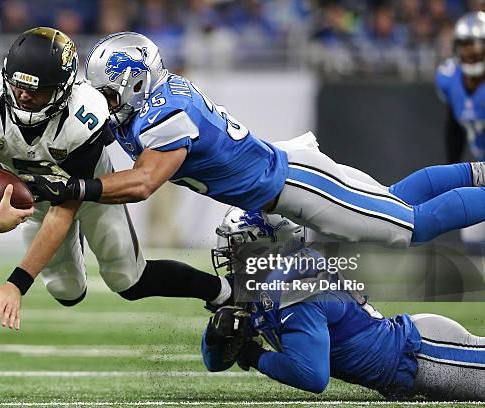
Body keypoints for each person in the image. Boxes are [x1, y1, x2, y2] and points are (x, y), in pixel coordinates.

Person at [24, 31, 485, 250]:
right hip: (277, 181)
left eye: (107, 91)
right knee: (390, 202)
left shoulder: (166, 116)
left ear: (134, 81)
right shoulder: (150, 100)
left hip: (294, 185)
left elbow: (144, 183)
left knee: (410, 225)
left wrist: (75, 189)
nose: (101, 101)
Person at [0, 27, 231, 331]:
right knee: (67, 293)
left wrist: (17, 283)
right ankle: (71, 248)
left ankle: (222, 292)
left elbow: (64, 209)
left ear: (64, 88)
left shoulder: (85, 115)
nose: (26, 96)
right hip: (35, 201)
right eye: (19, 87)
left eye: (39, 90)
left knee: (128, 280)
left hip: (91, 193)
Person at [201, 207, 485, 401]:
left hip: (423, 355)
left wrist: (254, 356)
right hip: (412, 354)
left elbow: (311, 375)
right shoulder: (263, 282)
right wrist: (217, 334)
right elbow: (215, 362)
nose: (230, 256)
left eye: (237, 246)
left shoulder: (293, 281)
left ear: (266, 245)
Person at [436, 11, 485, 251]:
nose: (470, 52)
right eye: (465, 46)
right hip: (483, 168)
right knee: (473, 235)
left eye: (476, 46)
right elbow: (454, 125)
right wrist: (452, 167)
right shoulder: (449, 78)